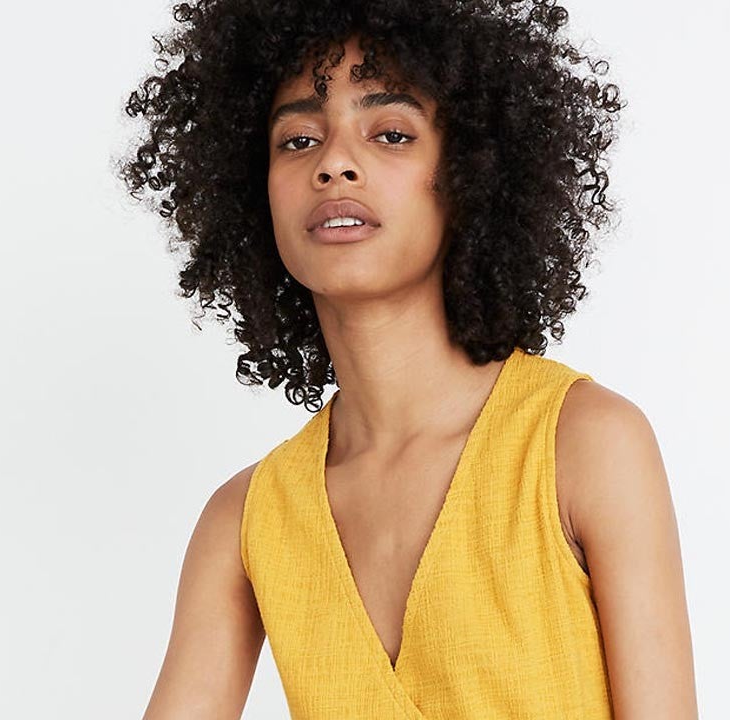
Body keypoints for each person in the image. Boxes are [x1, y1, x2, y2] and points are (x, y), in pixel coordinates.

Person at [119, 1, 697, 717]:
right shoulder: (245, 522)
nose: (333, 164)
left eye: (391, 134)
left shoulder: (584, 447)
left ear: (471, 174)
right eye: (298, 140)